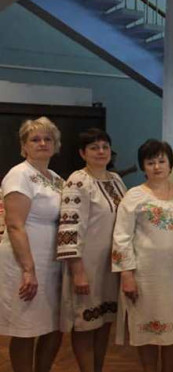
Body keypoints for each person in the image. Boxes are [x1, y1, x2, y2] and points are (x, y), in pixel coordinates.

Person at [111, 139, 173, 372]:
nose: (157, 166)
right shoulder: (134, 196)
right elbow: (121, 237)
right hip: (144, 276)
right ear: (143, 166)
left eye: (162, 161)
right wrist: (126, 275)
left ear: (170, 164)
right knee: (146, 330)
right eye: (150, 162)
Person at [57, 128, 127, 372]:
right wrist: (78, 272)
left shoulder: (116, 180)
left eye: (105, 147)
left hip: (110, 266)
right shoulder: (78, 181)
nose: (100, 151)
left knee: (104, 322)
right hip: (86, 266)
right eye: (94, 147)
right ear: (82, 153)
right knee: (85, 324)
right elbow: (69, 228)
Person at [0, 117, 64, 372]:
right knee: (25, 328)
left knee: (53, 326)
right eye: (35, 139)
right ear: (24, 146)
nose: (42, 143)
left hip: (53, 263)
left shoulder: (56, 179)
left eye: (48, 139)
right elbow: (15, 225)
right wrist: (28, 269)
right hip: (24, 261)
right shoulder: (19, 175)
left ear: (55, 145)